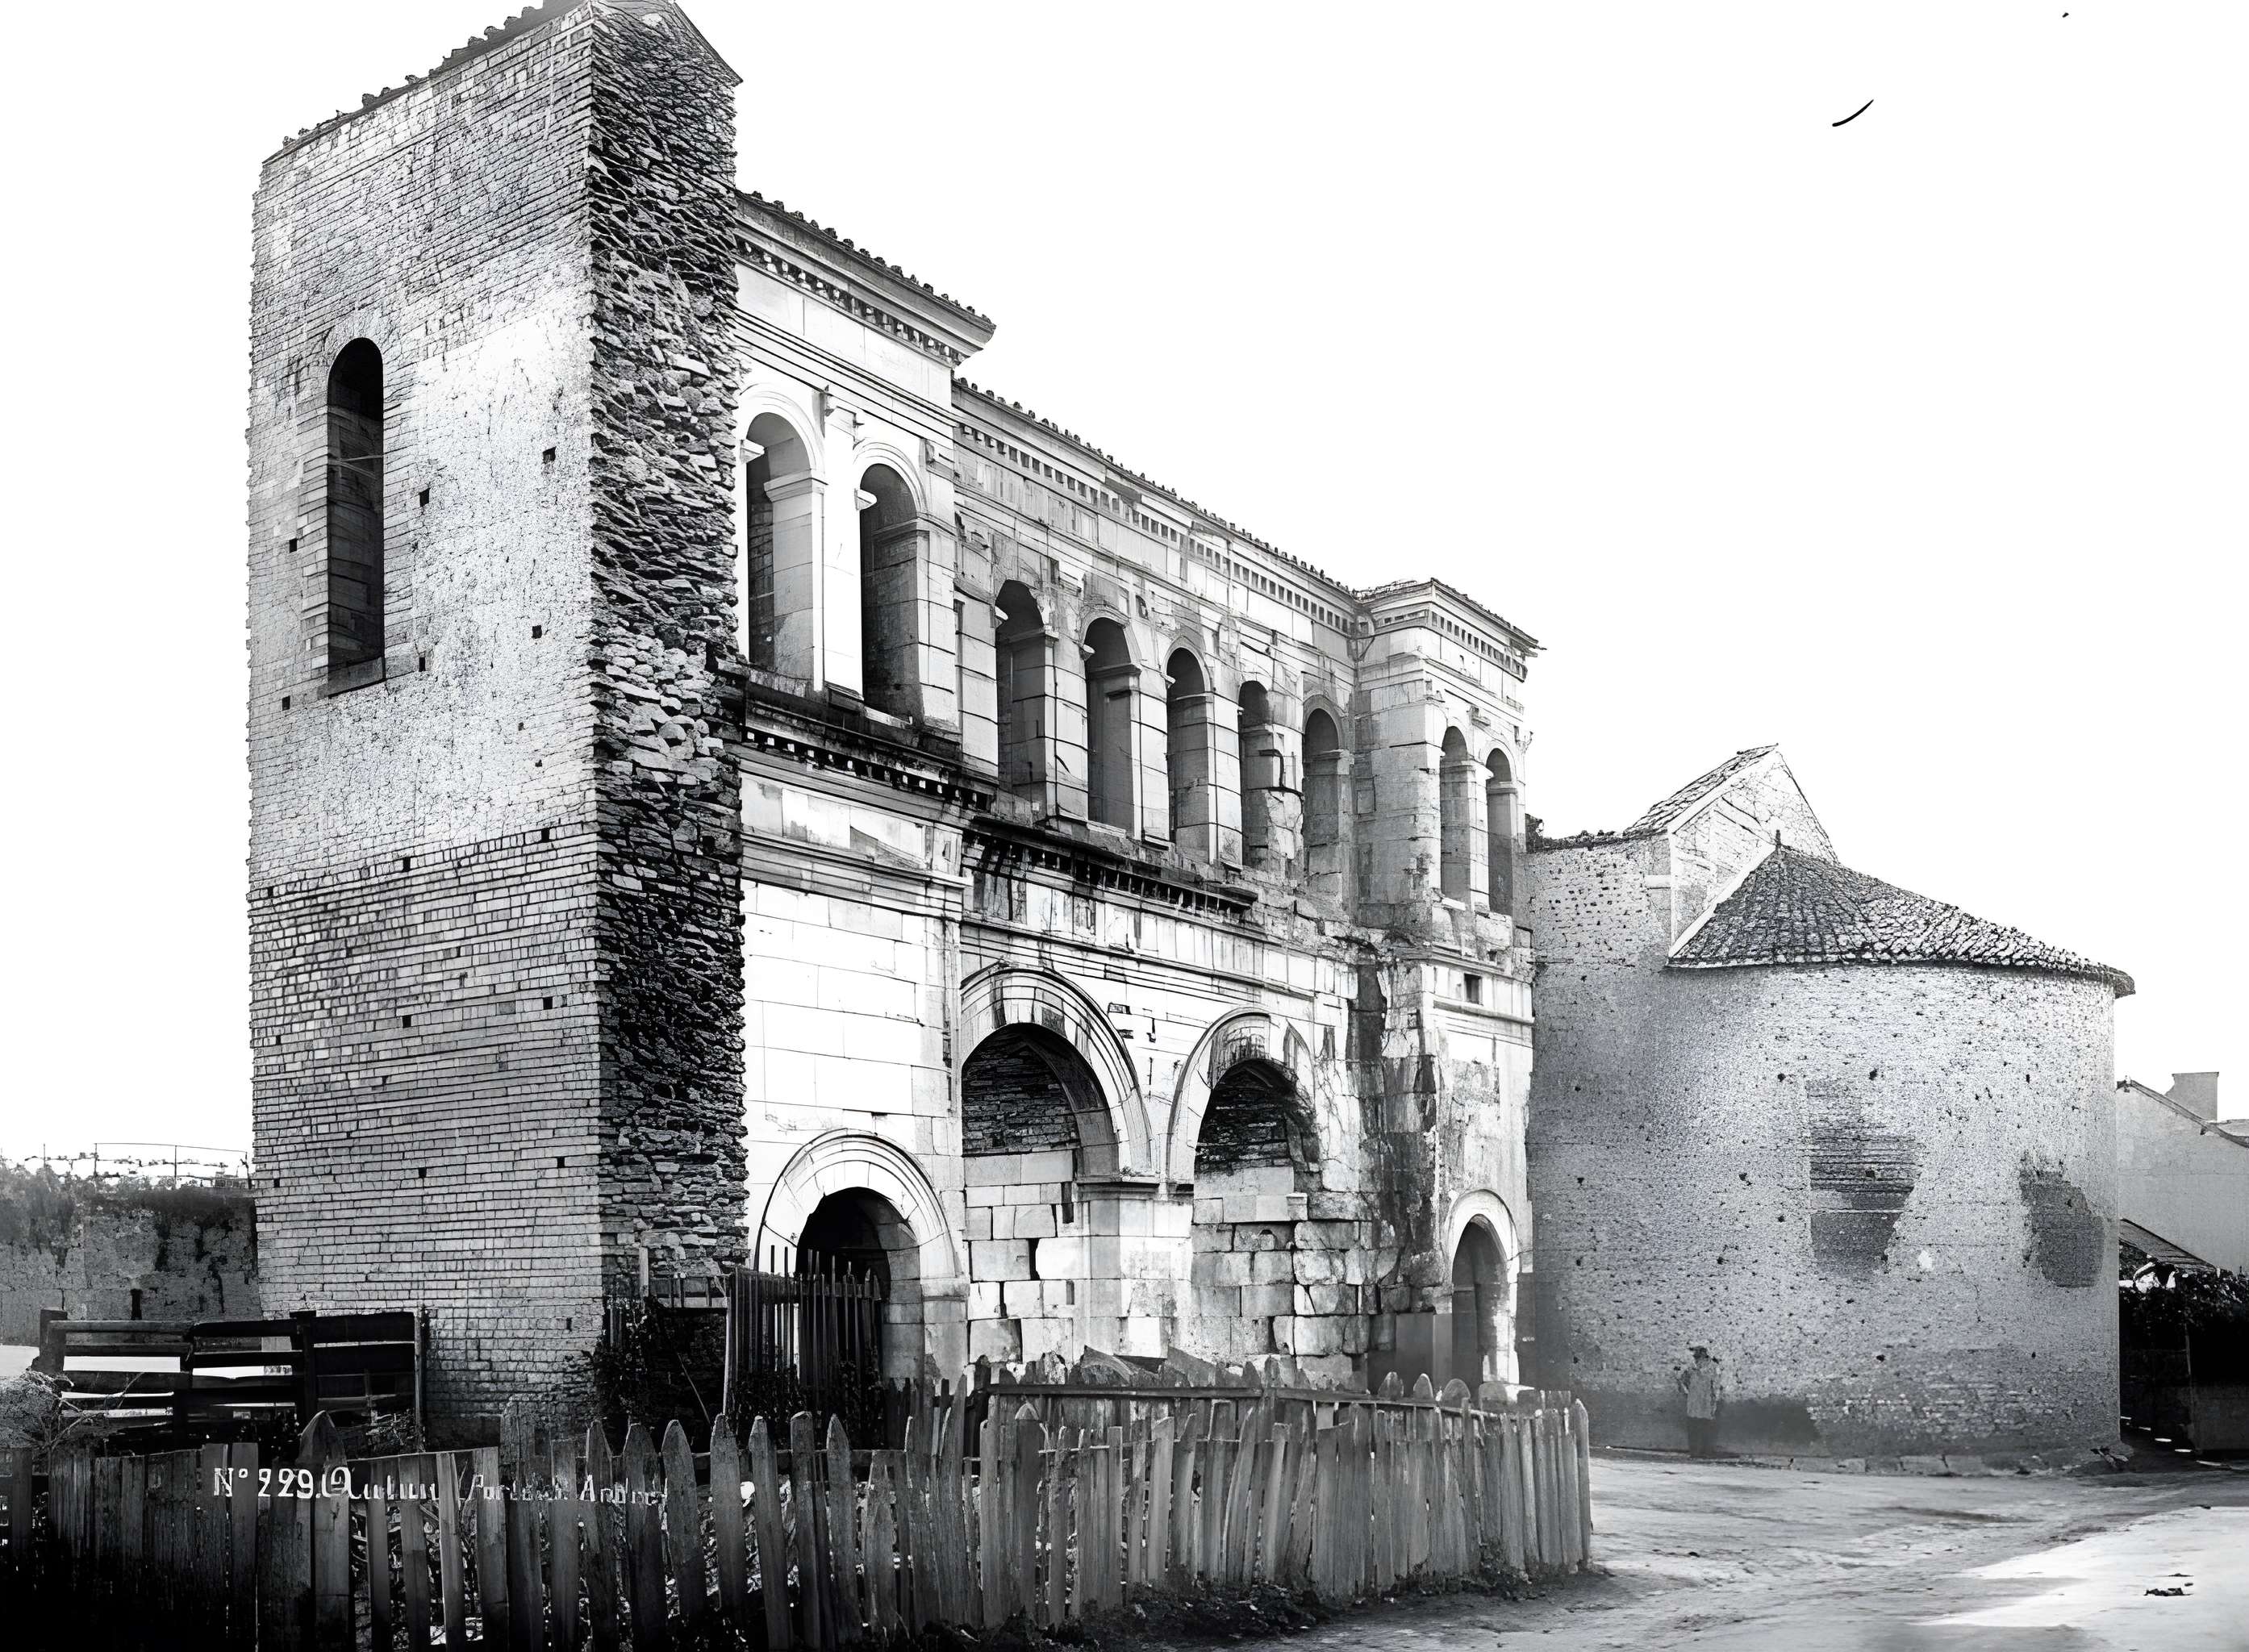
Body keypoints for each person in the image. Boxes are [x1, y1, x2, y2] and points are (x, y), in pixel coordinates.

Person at [1676, 1345, 1722, 1458]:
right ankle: (1695, 1452)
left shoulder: (1714, 1368)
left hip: (1707, 1403)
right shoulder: (1691, 1369)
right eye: (1696, 1357)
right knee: (1693, 1428)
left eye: (1699, 1357)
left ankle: (1706, 1452)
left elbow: (1717, 1386)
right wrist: (1687, 1392)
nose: (1697, 1359)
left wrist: (1715, 1401)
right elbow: (1683, 1382)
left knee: (1706, 1428)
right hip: (1693, 1404)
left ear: (1705, 1356)